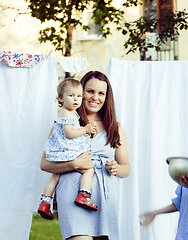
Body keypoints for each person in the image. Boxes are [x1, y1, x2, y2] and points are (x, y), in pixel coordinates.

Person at [40, 71, 130, 240]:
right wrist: (73, 164)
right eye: (90, 91)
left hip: (105, 196)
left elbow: (126, 168)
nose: (95, 97)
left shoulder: (114, 127)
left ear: (106, 97)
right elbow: (44, 164)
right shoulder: (66, 124)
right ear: (81, 92)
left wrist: (117, 168)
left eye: (101, 93)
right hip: (72, 195)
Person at [38, 78, 99, 220]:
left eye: (78, 96)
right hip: (68, 151)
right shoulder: (67, 113)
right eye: (71, 96)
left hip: (63, 151)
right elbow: (69, 133)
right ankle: (84, 194)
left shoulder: (69, 112)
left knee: (55, 175)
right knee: (89, 169)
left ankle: (45, 202)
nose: (75, 99)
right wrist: (85, 129)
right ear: (60, 97)